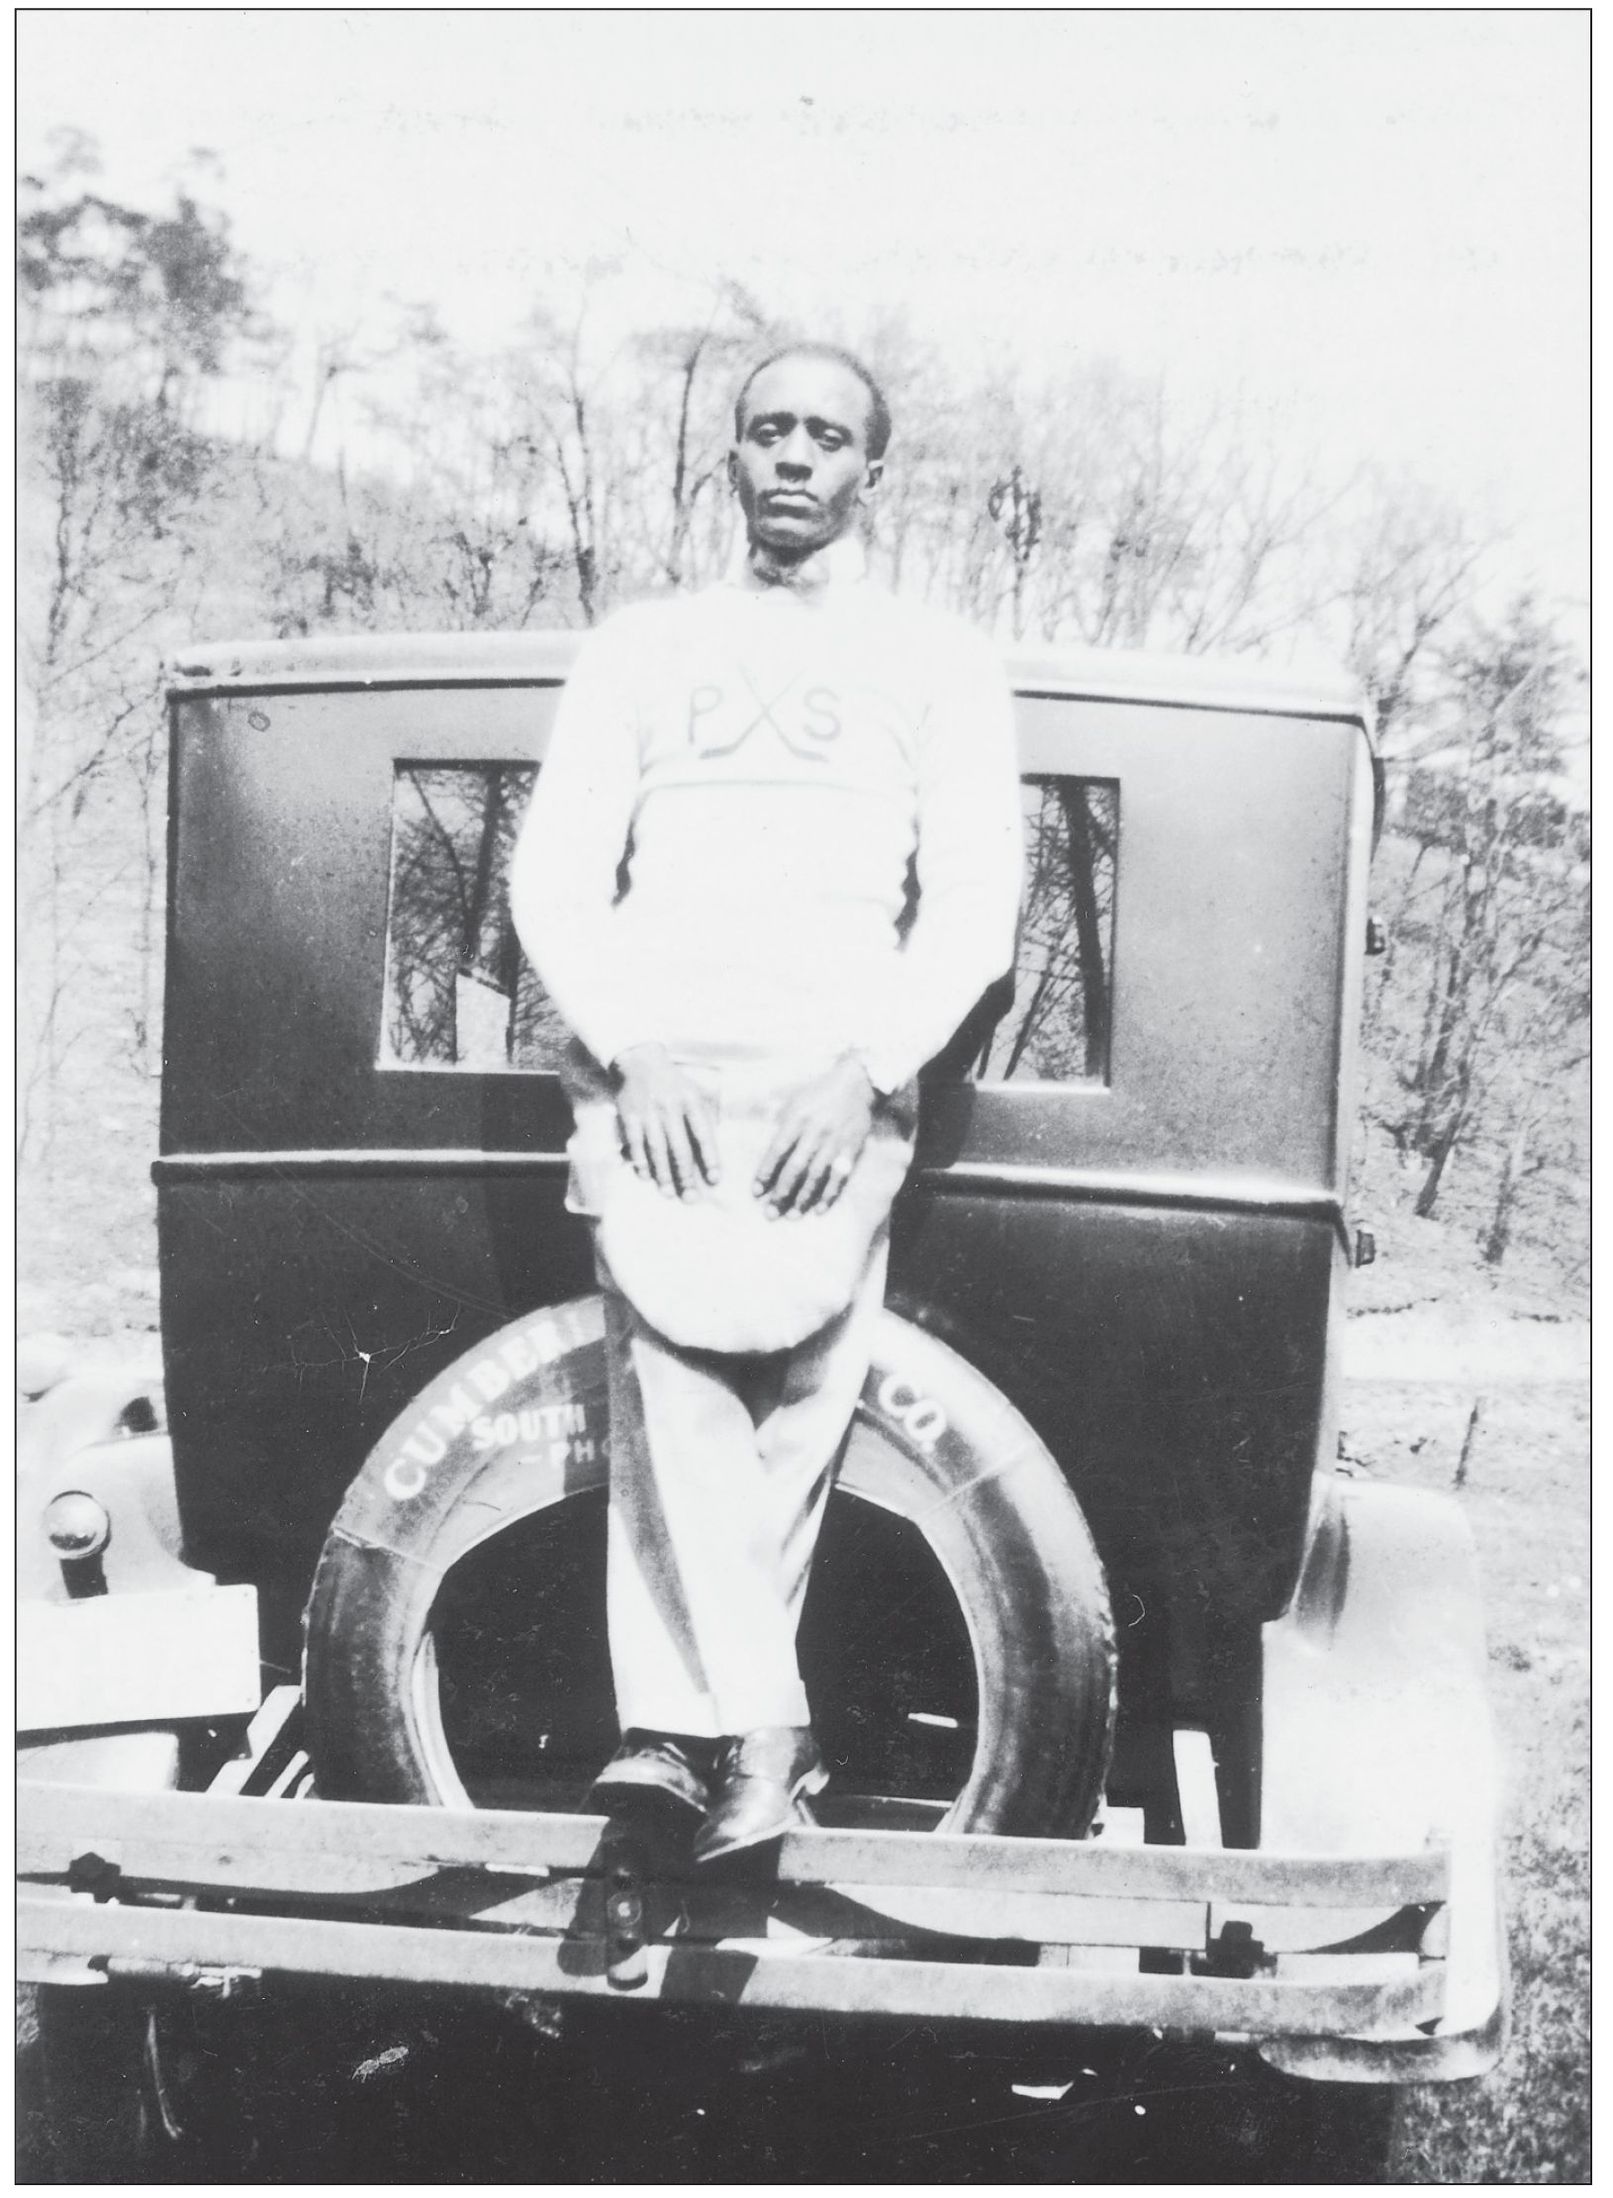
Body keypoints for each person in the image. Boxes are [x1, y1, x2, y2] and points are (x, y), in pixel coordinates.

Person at [509, 342, 1022, 1860]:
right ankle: (735, 1740)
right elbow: (555, 872)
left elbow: (973, 906)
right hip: (665, 1080)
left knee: (796, 1410)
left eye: (826, 436)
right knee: (670, 1395)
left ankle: (699, 1741)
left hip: (830, 1086)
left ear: (874, 468)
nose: (794, 457)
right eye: (767, 431)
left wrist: (866, 1068)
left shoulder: (937, 659)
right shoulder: (638, 648)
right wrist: (630, 1045)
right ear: (728, 459)